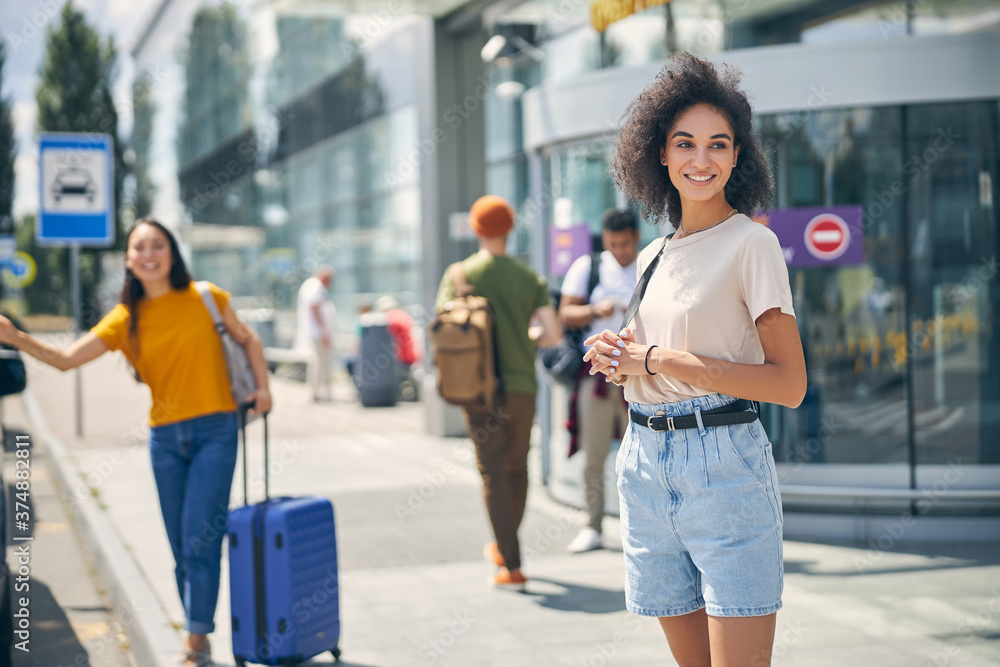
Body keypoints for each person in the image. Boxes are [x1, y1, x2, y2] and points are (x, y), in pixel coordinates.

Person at [584, 53, 806, 666]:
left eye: (718, 144)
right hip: (645, 463)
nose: (701, 160)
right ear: (660, 153)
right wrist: (616, 353)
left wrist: (657, 359)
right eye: (685, 144)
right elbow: (644, 358)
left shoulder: (752, 245)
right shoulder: (654, 251)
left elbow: (789, 385)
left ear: (738, 156)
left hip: (724, 466)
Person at [0, 218, 272, 667]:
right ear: (128, 260)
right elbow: (68, 361)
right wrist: (17, 338)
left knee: (200, 540)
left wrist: (263, 388)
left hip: (216, 431)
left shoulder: (207, 297)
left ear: (172, 252)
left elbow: (249, 339)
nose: (149, 253)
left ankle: (196, 642)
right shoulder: (127, 317)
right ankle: (197, 628)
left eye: (158, 245)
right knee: (179, 547)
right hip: (165, 440)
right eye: (139, 247)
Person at [435, 195, 562, 590]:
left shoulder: (459, 275)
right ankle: (507, 548)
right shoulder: (529, 279)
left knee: (492, 474)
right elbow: (553, 334)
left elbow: (444, 329)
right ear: (510, 229)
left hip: (477, 389)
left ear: (476, 229)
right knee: (517, 468)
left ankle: (510, 563)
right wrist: (525, 338)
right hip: (522, 388)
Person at [560, 208, 640, 553]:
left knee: (640, 455)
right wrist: (595, 311)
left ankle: (639, 527)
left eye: (624, 244)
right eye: (613, 244)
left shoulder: (650, 262)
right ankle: (592, 525)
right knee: (594, 454)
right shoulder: (588, 266)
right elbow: (566, 311)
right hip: (596, 375)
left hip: (639, 375)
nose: (619, 250)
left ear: (636, 238)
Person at [296, 266, 336, 402]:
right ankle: (320, 391)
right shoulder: (315, 286)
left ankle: (317, 390)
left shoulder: (310, 285)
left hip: (316, 332)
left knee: (318, 361)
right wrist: (324, 330)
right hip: (319, 333)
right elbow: (314, 306)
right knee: (321, 362)